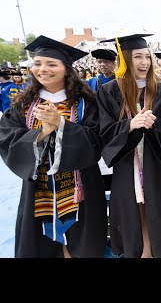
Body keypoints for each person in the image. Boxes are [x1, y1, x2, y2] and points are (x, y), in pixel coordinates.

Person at [0, 35, 107, 257]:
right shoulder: (24, 104)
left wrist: (61, 124)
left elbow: (97, 141)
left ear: (66, 69)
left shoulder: (85, 103)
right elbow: (7, 139)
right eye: (37, 64)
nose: (42, 69)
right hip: (38, 190)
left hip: (81, 188)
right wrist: (42, 133)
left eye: (51, 64)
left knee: (82, 245)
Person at [97, 34, 161, 258]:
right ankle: (143, 253)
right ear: (125, 59)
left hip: (156, 161)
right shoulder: (109, 91)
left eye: (147, 57)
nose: (144, 62)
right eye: (137, 57)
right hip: (127, 162)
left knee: (157, 211)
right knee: (136, 209)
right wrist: (130, 125)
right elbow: (104, 131)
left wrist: (155, 124)